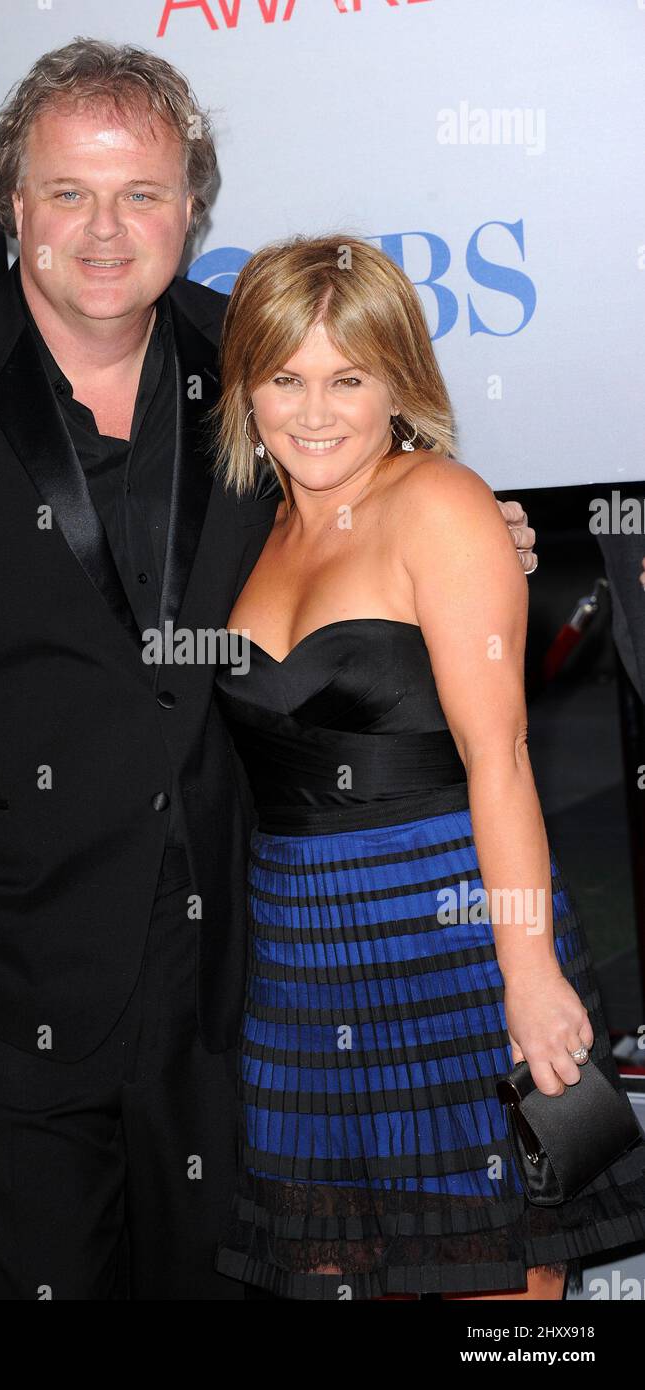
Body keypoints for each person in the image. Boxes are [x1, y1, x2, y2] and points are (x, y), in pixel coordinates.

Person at [0, 40, 535, 1299]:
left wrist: (478, 530)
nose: (105, 230)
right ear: (14, 204)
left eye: (143, 193)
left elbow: (375, 497)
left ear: (194, 209)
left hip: (242, 998)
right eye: (68, 192)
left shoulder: (253, 362)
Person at [209, 232, 645, 1301]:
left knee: (496, 1280)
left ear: (397, 382)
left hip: (449, 944)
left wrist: (528, 972)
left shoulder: (440, 506)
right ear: (245, 389)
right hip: (301, 963)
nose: (314, 413)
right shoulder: (243, 531)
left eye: (347, 379)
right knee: (329, 1272)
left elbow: (500, 762)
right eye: (285, 378)